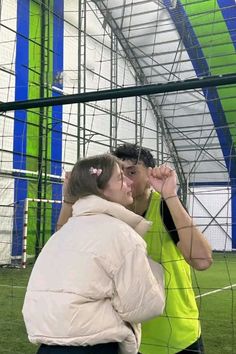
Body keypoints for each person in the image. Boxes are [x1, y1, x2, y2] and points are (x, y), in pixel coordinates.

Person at [22, 153, 165, 354]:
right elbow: (142, 306)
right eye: (120, 178)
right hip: (95, 346)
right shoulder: (122, 235)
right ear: (100, 188)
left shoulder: (62, 234)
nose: (129, 183)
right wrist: (156, 271)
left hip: (48, 347)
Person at [112, 143, 213, 354]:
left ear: (150, 174)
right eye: (120, 173)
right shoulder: (111, 214)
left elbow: (202, 260)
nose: (126, 180)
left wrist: (170, 195)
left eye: (132, 172)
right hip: (128, 336)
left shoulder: (165, 206)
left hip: (176, 333)